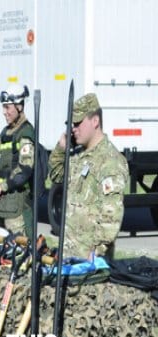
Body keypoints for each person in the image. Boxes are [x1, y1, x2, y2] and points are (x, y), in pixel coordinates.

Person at [48, 93, 129, 259]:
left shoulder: (110, 161)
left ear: (95, 121)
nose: (73, 128)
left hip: (90, 261)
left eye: (78, 123)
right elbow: (56, 175)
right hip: (69, 255)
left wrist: (97, 253)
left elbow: (111, 216)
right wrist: (61, 149)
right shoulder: (79, 156)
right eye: (71, 124)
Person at [0, 84, 35, 237]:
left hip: (16, 208)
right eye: (3, 107)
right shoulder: (4, 133)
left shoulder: (25, 133)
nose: (4, 112)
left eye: (7, 107)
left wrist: (0, 186)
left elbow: (25, 169)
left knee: (18, 254)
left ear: (19, 106)